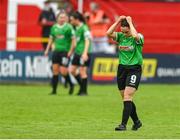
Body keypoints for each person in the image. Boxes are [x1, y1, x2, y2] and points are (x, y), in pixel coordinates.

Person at [106, 16, 144, 131]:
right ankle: (137, 122)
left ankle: (123, 124)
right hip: (122, 69)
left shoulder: (138, 36)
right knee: (126, 98)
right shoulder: (121, 36)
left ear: (130, 28)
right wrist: (118, 21)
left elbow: (135, 36)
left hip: (134, 69)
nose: (123, 33)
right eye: (122, 30)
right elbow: (108, 33)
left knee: (128, 96)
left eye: (125, 30)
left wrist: (130, 22)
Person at [44, 11, 75, 95]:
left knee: (63, 71)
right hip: (56, 51)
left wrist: (71, 51)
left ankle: (71, 84)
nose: (62, 19)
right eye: (61, 17)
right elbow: (51, 39)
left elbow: (73, 40)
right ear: (57, 18)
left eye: (64, 17)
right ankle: (54, 91)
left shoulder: (69, 27)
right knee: (55, 70)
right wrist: (47, 49)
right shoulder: (54, 27)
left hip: (65, 52)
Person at [69, 11, 92, 96]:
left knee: (82, 71)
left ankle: (84, 91)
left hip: (84, 52)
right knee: (72, 70)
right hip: (77, 52)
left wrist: (85, 53)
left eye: (71, 20)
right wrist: (71, 51)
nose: (70, 21)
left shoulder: (84, 28)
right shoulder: (76, 28)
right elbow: (75, 42)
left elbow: (87, 40)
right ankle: (81, 87)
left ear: (77, 19)